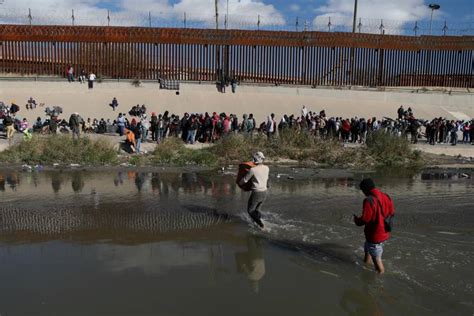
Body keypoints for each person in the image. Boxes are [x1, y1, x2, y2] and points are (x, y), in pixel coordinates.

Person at [353, 178, 395, 274]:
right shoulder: (386, 196)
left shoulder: (369, 200)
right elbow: (392, 212)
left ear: (365, 190)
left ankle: (379, 284)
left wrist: (356, 220)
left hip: (375, 234)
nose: (363, 193)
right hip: (384, 231)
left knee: (377, 260)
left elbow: (365, 219)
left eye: (363, 191)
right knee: (368, 249)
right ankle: (366, 265)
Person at [239, 152, 269, 228]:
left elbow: (245, 180)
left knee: (250, 211)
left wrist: (239, 182)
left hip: (257, 193)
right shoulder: (267, 168)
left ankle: (261, 225)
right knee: (257, 209)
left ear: (254, 160)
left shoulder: (253, 170)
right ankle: (257, 221)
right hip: (265, 192)